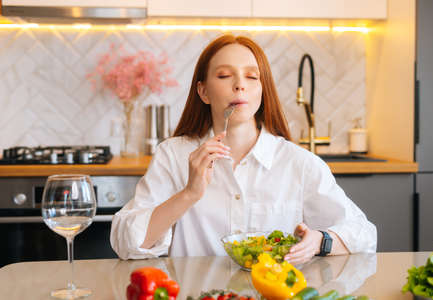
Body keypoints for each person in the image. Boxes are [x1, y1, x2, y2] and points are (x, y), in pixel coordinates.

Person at [110, 34, 377, 265]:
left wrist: (320, 241)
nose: (240, 84)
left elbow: (364, 234)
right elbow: (126, 244)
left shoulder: (300, 163)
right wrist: (189, 194)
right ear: (203, 92)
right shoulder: (173, 155)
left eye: (251, 76)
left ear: (262, 91)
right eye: (225, 75)